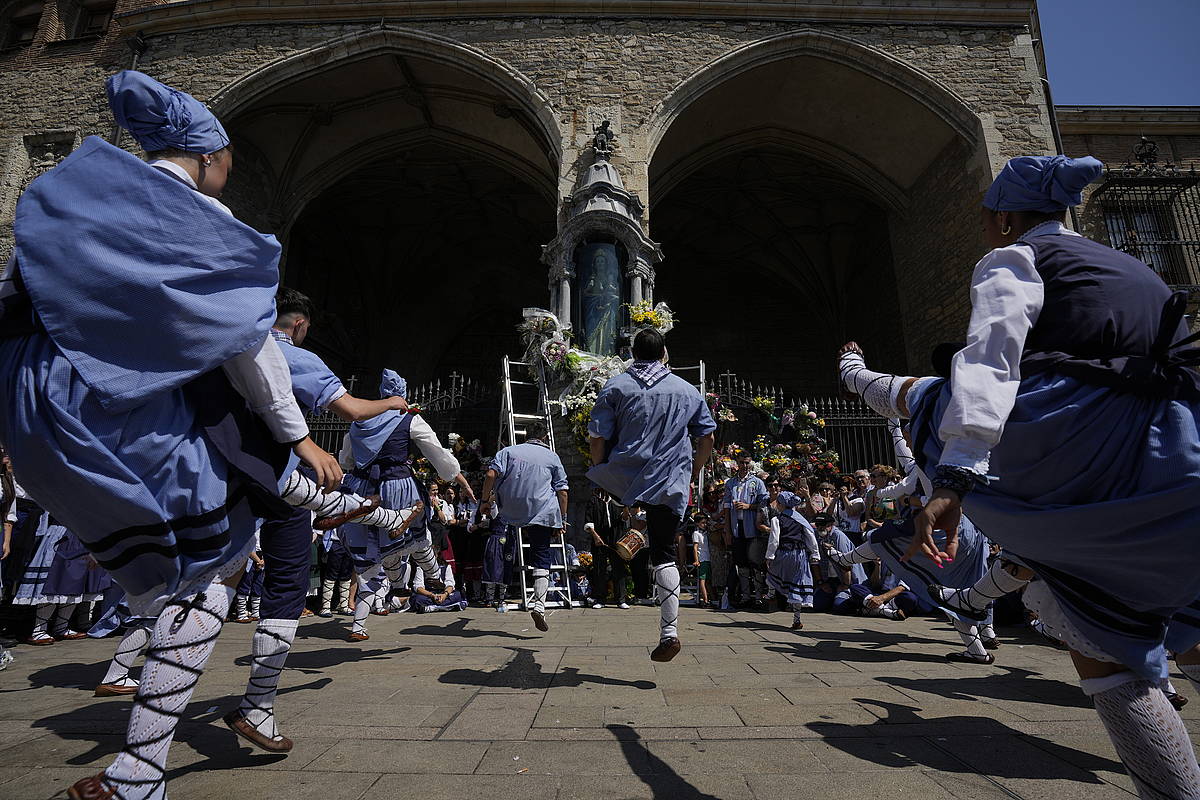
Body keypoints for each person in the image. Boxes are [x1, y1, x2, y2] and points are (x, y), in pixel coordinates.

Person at [0, 70, 347, 800]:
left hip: (39, 403)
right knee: (215, 567)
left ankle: (141, 751)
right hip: (124, 412)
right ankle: (140, 772)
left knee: (178, 565)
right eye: (229, 159)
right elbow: (249, 351)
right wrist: (299, 440)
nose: (231, 171)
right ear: (210, 154)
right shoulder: (201, 224)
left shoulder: (70, 194)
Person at [838, 154, 1200, 797]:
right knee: (1162, 619)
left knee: (929, 398)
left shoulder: (1013, 260)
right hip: (1173, 453)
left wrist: (953, 479)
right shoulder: (1138, 270)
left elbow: (991, 361)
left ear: (1004, 217)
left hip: (1074, 449)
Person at [586, 328, 716, 662]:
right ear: (664, 353)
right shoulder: (687, 390)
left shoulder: (615, 386)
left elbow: (598, 438)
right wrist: (694, 471)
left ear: (633, 351)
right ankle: (669, 632)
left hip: (625, 479)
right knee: (665, 552)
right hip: (671, 481)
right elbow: (707, 439)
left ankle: (635, 529)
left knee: (632, 528)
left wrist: (600, 473)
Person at [341, 369, 470, 641]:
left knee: (372, 552)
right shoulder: (408, 418)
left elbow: (347, 460)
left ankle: (360, 624)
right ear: (402, 393)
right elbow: (437, 454)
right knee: (417, 536)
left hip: (364, 490)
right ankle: (430, 575)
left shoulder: (360, 419)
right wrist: (453, 474)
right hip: (397, 487)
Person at [480, 420, 568, 631]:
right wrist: (562, 519)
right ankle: (539, 604)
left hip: (510, 510)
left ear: (526, 435)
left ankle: (497, 594)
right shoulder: (552, 457)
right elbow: (563, 491)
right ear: (545, 438)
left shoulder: (508, 451)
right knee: (541, 556)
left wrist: (485, 501)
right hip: (541, 512)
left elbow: (491, 474)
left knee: (502, 547)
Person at [764, 492, 821, 630]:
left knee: (771, 574)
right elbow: (810, 536)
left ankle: (771, 594)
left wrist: (769, 556)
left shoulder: (777, 519)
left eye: (778, 502)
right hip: (800, 555)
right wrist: (815, 554)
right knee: (797, 586)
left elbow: (774, 540)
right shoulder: (800, 519)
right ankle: (797, 620)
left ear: (781, 504)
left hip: (785, 553)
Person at [722, 455, 768, 608]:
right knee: (741, 562)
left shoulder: (757, 482)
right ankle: (746, 595)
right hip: (737, 527)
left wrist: (749, 507)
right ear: (737, 464)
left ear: (751, 464)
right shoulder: (730, 483)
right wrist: (727, 530)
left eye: (747, 462)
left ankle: (759, 596)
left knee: (755, 562)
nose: (744, 465)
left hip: (753, 527)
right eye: (742, 462)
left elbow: (764, 504)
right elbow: (727, 507)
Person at [585, 487, 629, 609]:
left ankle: (621, 599)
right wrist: (595, 536)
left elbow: (624, 519)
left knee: (618, 567)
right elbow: (589, 522)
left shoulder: (617, 500)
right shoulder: (594, 500)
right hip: (599, 536)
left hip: (616, 537)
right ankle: (600, 599)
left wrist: (625, 509)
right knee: (599, 568)